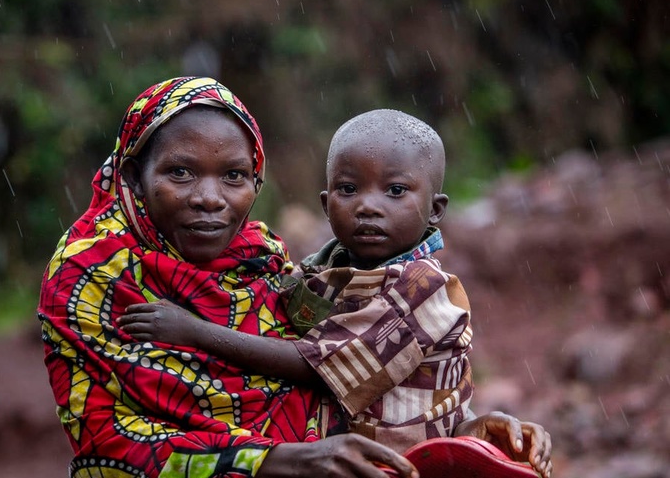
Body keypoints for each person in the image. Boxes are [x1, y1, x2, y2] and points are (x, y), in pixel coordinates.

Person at [118, 109, 553, 477]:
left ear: (435, 210)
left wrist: (192, 331)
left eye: (395, 191)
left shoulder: (424, 290)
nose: (367, 205)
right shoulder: (321, 270)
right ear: (326, 206)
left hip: (412, 464)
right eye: (349, 190)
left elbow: (312, 366)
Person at [38, 77, 423, 478]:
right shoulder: (89, 275)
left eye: (233, 176)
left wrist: (450, 423)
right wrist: (281, 460)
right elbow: (109, 444)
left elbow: (336, 374)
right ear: (134, 176)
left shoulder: (262, 260)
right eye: (181, 172)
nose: (210, 197)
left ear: (255, 181)